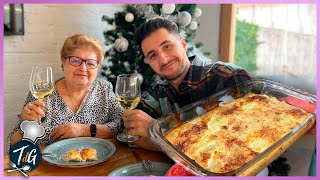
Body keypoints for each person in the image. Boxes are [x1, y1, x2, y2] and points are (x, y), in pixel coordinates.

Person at [123, 18, 252, 151]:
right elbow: (129, 131)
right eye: (153, 55)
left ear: (183, 44)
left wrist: (159, 131)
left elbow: (246, 137)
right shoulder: (158, 95)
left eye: (167, 46)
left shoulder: (228, 76)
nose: (163, 59)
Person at [8, 34, 123, 147]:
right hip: (50, 164)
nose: (83, 68)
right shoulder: (42, 92)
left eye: (91, 63)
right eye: (75, 61)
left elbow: (122, 125)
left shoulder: (104, 89)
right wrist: (26, 128)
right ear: (63, 62)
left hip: (98, 161)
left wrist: (85, 130)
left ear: (98, 67)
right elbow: (14, 140)